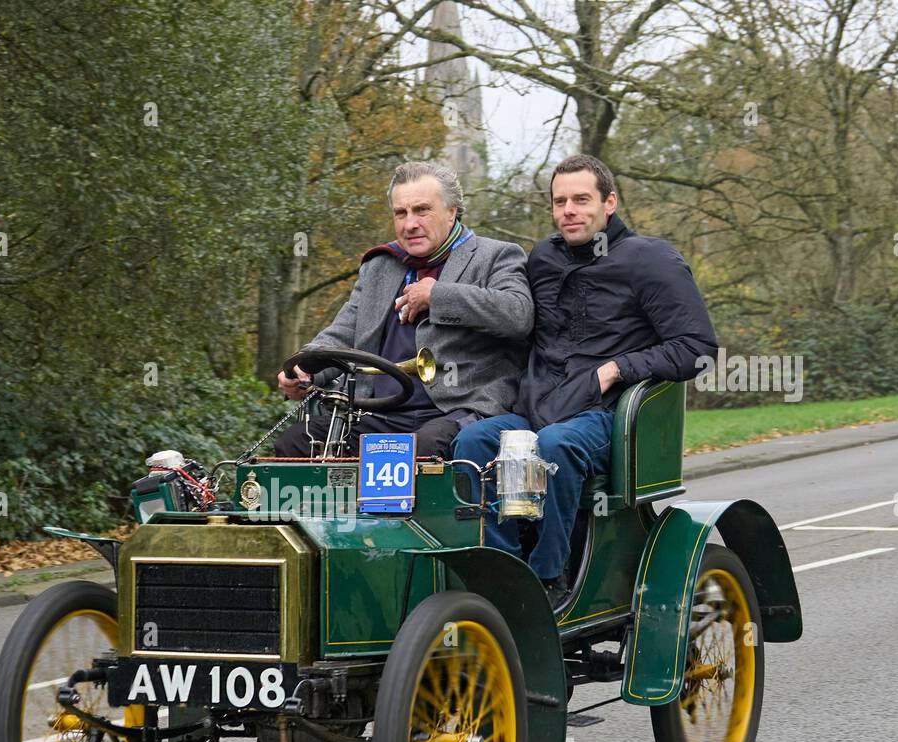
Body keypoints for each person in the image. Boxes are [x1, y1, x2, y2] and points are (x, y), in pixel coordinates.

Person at [453, 153, 719, 601]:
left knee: (557, 444)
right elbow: (517, 330)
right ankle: (499, 571)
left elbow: (698, 349)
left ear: (609, 202)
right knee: (474, 442)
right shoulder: (542, 258)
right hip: (534, 411)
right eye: (560, 202)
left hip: (603, 417)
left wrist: (617, 368)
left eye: (581, 200)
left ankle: (546, 581)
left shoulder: (651, 259)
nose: (568, 211)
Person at [274, 161, 532, 458]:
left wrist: (439, 295)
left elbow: (519, 314)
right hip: (377, 414)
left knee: (421, 451)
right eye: (401, 213)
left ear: (452, 212)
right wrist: (304, 369)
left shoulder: (495, 255)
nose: (410, 224)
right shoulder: (380, 265)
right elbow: (345, 333)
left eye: (422, 210)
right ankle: (332, 507)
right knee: (294, 443)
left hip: (456, 412)